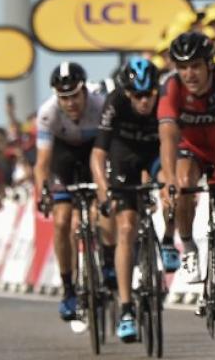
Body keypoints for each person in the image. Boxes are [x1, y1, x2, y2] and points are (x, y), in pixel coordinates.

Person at [91, 57, 161, 343]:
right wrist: (103, 190)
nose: (144, 101)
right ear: (128, 93)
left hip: (155, 152)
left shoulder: (164, 100)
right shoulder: (116, 101)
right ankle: (126, 308)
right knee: (127, 227)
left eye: (149, 95)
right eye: (138, 96)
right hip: (125, 155)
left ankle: (168, 242)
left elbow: (174, 146)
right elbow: (98, 154)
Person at [34, 61, 109, 321]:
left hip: (94, 156)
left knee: (102, 211)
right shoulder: (47, 113)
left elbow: (112, 149)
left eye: (74, 95)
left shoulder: (101, 106)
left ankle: (106, 261)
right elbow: (42, 163)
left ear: (84, 90)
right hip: (64, 161)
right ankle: (68, 290)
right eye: (63, 97)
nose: (70, 103)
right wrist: (42, 192)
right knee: (62, 221)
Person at [158, 32, 215, 284]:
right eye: (182, 67)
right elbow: (168, 137)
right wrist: (169, 182)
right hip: (192, 150)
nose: (189, 74)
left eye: (195, 66)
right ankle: (188, 247)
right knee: (182, 184)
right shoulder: (171, 86)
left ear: (209, 64)